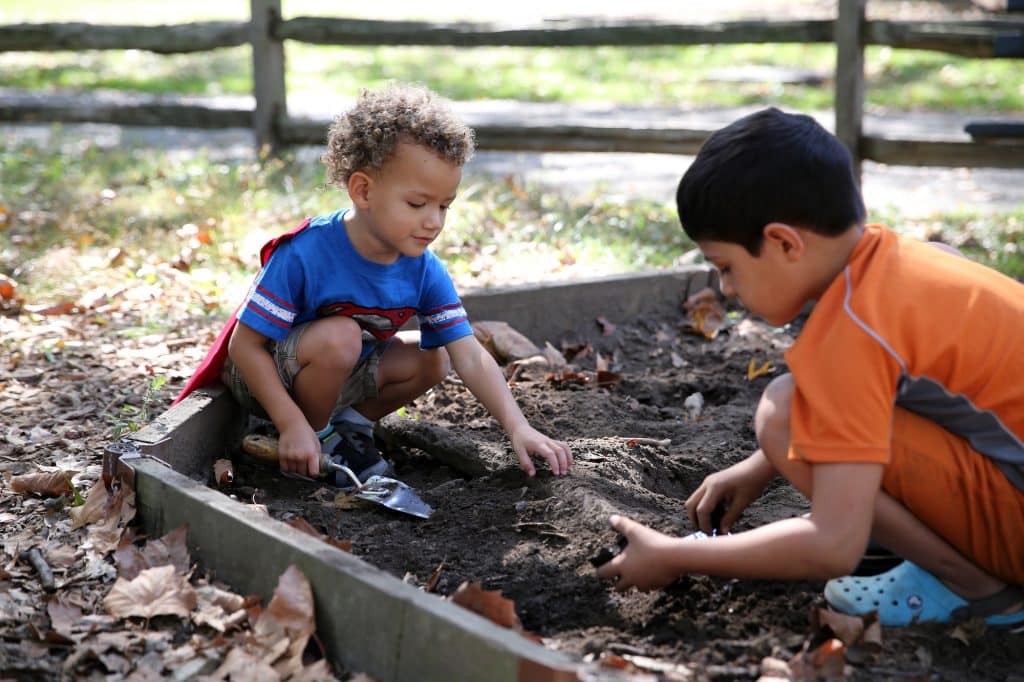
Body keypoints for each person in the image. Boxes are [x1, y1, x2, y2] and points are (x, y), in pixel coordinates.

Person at [596, 107, 1024, 628]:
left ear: (783, 242)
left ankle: (980, 591)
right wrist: (760, 467)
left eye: (727, 267)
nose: (727, 290)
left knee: (787, 410)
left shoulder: (849, 336)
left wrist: (675, 554)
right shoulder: (911, 260)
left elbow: (833, 547)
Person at [175, 83, 572, 486]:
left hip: (337, 372)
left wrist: (518, 427)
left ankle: (347, 428)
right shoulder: (307, 253)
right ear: (363, 190)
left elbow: (470, 355)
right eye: (417, 204)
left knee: (436, 356)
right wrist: (291, 421)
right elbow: (244, 346)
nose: (433, 221)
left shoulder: (423, 269)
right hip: (266, 380)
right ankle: (309, 435)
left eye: (444, 206)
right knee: (341, 336)